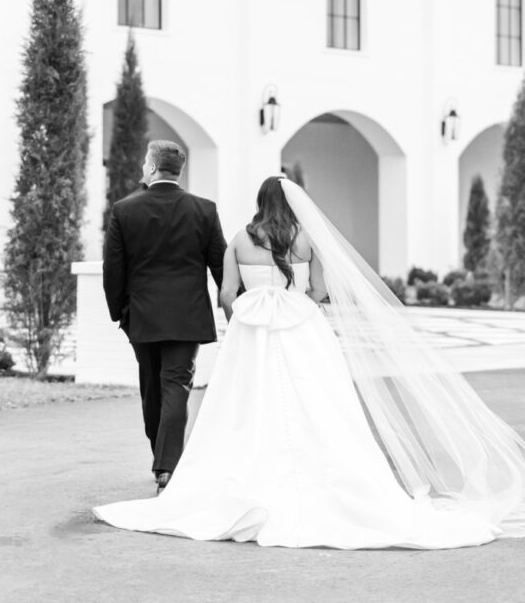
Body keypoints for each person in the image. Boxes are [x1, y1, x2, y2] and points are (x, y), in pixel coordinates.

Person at [94, 176, 525, 548]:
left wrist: (245, 316)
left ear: (261, 202)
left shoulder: (242, 239)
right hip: (301, 329)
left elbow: (226, 293)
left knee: (243, 409)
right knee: (319, 406)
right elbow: (319, 290)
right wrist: (295, 303)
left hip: (252, 333)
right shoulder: (305, 239)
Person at [102, 139, 226, 494]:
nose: (143, 167)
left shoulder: (124, 210)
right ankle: (166, 461)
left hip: (141, 316)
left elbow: (115, 269)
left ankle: (165, 464)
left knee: (153, 389)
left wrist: (119, 314)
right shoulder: (204, 210)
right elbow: (219, 264)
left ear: (153, 168)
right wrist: (235, 306)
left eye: (145, 162)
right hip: (187, 317)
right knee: (175, 386)